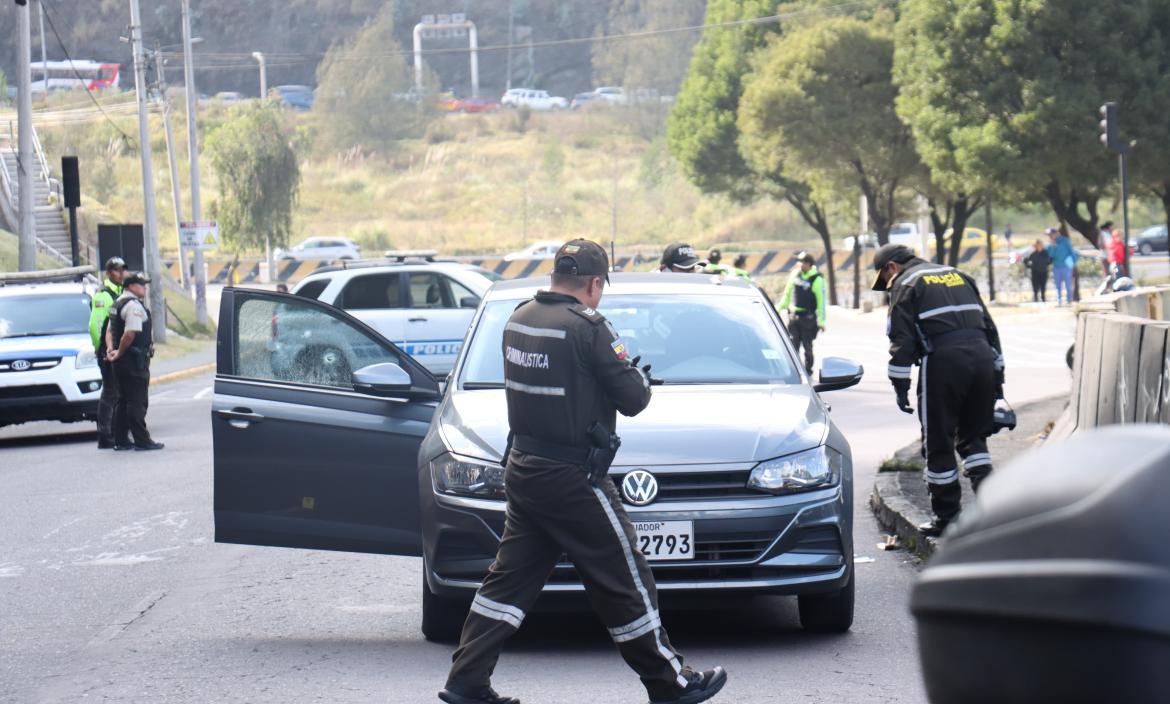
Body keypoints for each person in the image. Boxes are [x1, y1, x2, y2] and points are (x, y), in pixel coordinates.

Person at [440, 240, 726, 704]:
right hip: (572, 477)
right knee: (626, 572)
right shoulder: (589, 328)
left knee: (507, 582)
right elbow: (634, 399)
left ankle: (466, 680)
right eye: (601, 287)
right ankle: (669, 683)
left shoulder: (518, 318)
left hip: (524, 469)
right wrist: (634, 375)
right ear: (594, 283)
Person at [872, 244, 1004, 538]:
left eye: (884, 277)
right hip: (982, 358)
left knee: (939, 440)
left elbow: (901, 340)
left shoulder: (905, 284)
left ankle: (947, 518)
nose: (887, 285)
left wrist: (900, 386)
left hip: (944, 363)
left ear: (892, 267)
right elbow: (990, 327)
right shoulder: (959, 275)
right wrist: (998, 379)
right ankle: (992, 511)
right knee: (974, 438)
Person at [106, 272, 164, 451]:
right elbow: (130, 334)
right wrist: (120, 352)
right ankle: (142, 440)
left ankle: (121, 440)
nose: (144, 288)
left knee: (123, 401)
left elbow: (109, 331)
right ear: (131, 286)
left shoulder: (117, 303)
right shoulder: (133, 306)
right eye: (141, 285)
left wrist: (111, 350)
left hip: (120, 362)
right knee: (137, 401)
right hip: (133, 361)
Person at [89, 257, 126, 448]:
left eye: (122, 270)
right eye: (118, 270)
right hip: (107, 352)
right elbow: (96, 326)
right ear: (109, 273)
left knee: (116, 391)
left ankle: (114, 431)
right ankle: (105, 435)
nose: (122, 274)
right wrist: (102, 349)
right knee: (110, 391)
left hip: (116, 351)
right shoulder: (103, 295)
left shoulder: (117, 292)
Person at [778, 251, 826, 375]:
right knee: (793, 346)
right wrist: (778, 309)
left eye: (802, 262)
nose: (799, 264)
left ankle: (808, 370)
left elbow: (821, 302)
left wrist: (821, 321)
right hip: (794, 317)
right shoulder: (795, 275)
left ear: (809, 264)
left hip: (808, 319)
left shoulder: (817, 279)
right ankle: (793, 370)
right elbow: (787, 294)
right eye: (798, 261)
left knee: (807, 347)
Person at [1046, 228, 1076, 306]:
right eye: (1049, 235)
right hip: (1056, 266)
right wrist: (1053, 246)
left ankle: (1069, 300)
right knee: (1057, 285)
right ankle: (1058, 300)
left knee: (1068, 284)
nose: (1050, 236)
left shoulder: (1065, 241)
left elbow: (1071, 252)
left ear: (1056, 233)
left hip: (1066, 266)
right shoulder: (1050, 244)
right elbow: (1050, 255)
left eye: (1051, 234)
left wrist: (1073, 263)